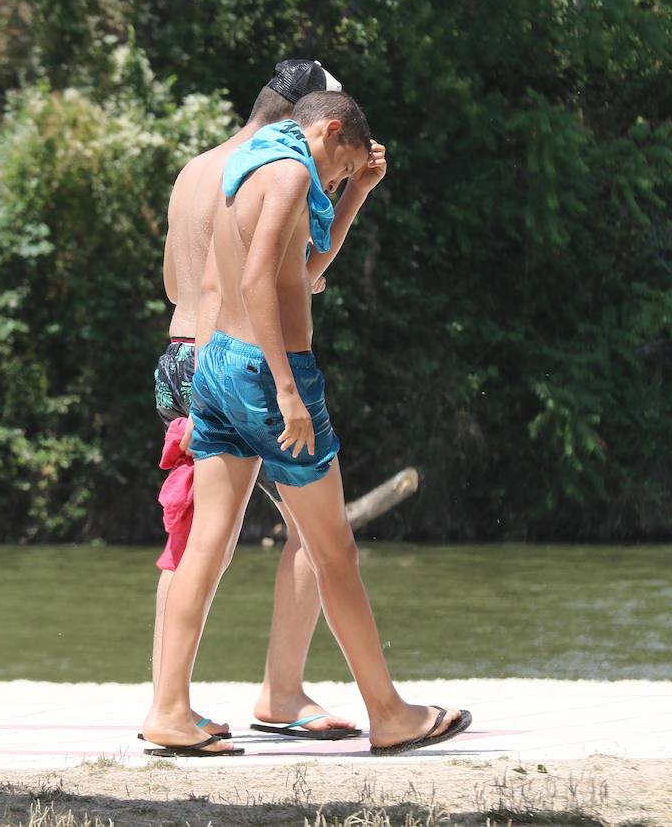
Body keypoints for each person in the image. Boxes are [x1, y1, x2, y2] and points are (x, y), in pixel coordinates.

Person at [142, 91, 472, 756]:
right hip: (271, 376)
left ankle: (170, 712)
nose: (339, 180)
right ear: (328, 130)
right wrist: (288, 392)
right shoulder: (292, 174)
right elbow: (262, 282)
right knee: (333, 551)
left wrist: (358, 194)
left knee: (208, 541)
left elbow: (301, 273)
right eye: (344, 166)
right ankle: (389, 713)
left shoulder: (247, 168)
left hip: (218, 366)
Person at [151, 60, 363, 740]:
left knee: (190, 537)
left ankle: (168, 702)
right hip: (228, 357)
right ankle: (282, 691)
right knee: (309, 532)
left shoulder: (195, 167)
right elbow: (236, 286)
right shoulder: (269, 168)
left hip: (176, 352)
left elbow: (172, 280)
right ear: (308, 116)